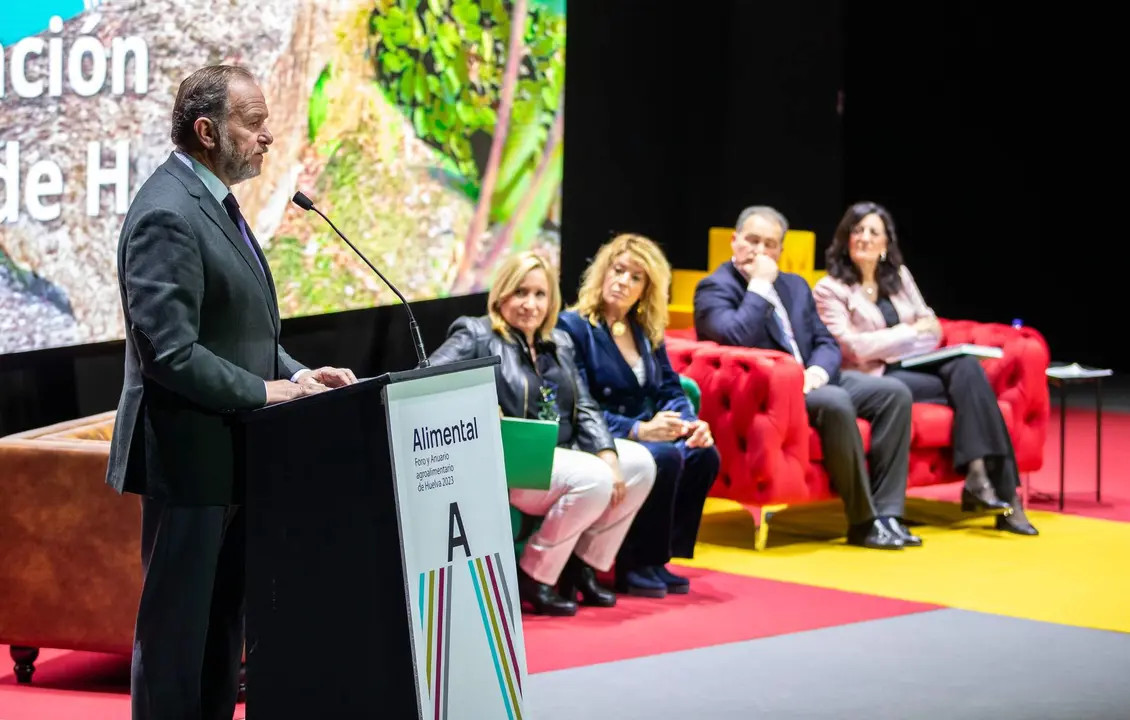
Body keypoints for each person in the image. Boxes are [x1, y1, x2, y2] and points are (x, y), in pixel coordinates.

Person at [106, 65, 357, 720]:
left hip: (236, 458)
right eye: (253, 122)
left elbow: (243, 331)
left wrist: (299, 376)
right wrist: (267, 393)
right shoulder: (166, 213)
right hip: (188, 460)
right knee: (177, 640)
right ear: (206, 129)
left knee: (220, 637)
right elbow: (171, 353)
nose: (266, 136)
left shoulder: (216, 205)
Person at [429, 251, 657, 614]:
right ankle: (534, 575)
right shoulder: (476, 334)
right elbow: (424, 380)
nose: (530, 304)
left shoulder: (559, 342)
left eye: (540, 294)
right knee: (595, 477)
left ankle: (582, 566)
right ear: (501, 294)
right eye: (520, 292)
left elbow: (584, 407)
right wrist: (477, 412)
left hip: (561, 453)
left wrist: (609, 455)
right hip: (511, 464)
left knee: (640, 464)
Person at [694, 205, 914, 549]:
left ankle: (888, 515)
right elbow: (734, 336)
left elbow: (825, 341)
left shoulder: (795, 286)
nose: (761, 252)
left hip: (813, 381)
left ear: (781, 250)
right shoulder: (715, 288)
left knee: (894, 393)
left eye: (770, 244)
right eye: (752, 241)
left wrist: (816, 371)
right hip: (771, 393)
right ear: (734, 242)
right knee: (837, 402)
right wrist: (759, 286)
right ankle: (863, 521)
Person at [812, 201, 1037, 535]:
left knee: (966, 368)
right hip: (872, 377)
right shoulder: (830, 288)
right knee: (973, 385)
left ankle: (981, 477)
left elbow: (932, 329)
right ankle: (1004, 497)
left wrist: (903, 338)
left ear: (886, 243)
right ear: (845, 239)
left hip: (911, 365)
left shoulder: (899, 278)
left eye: (874, 232)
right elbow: (854, 349)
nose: (865, 238)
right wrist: (908, 333)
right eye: (857, 230)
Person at [558, 233, 719, 596]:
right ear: (602, 272)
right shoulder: (573, 327)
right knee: (663, 457)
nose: (623, 282)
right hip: (601, 434)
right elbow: (580, 404)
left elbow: (670, 391)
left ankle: (658, 558)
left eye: (635, 277)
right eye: (618, 270)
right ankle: (634, 564)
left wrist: (690, 424)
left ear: (646, 288)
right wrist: (639, 430)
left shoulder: (645, 329)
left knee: (703, 455)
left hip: (645, 431)